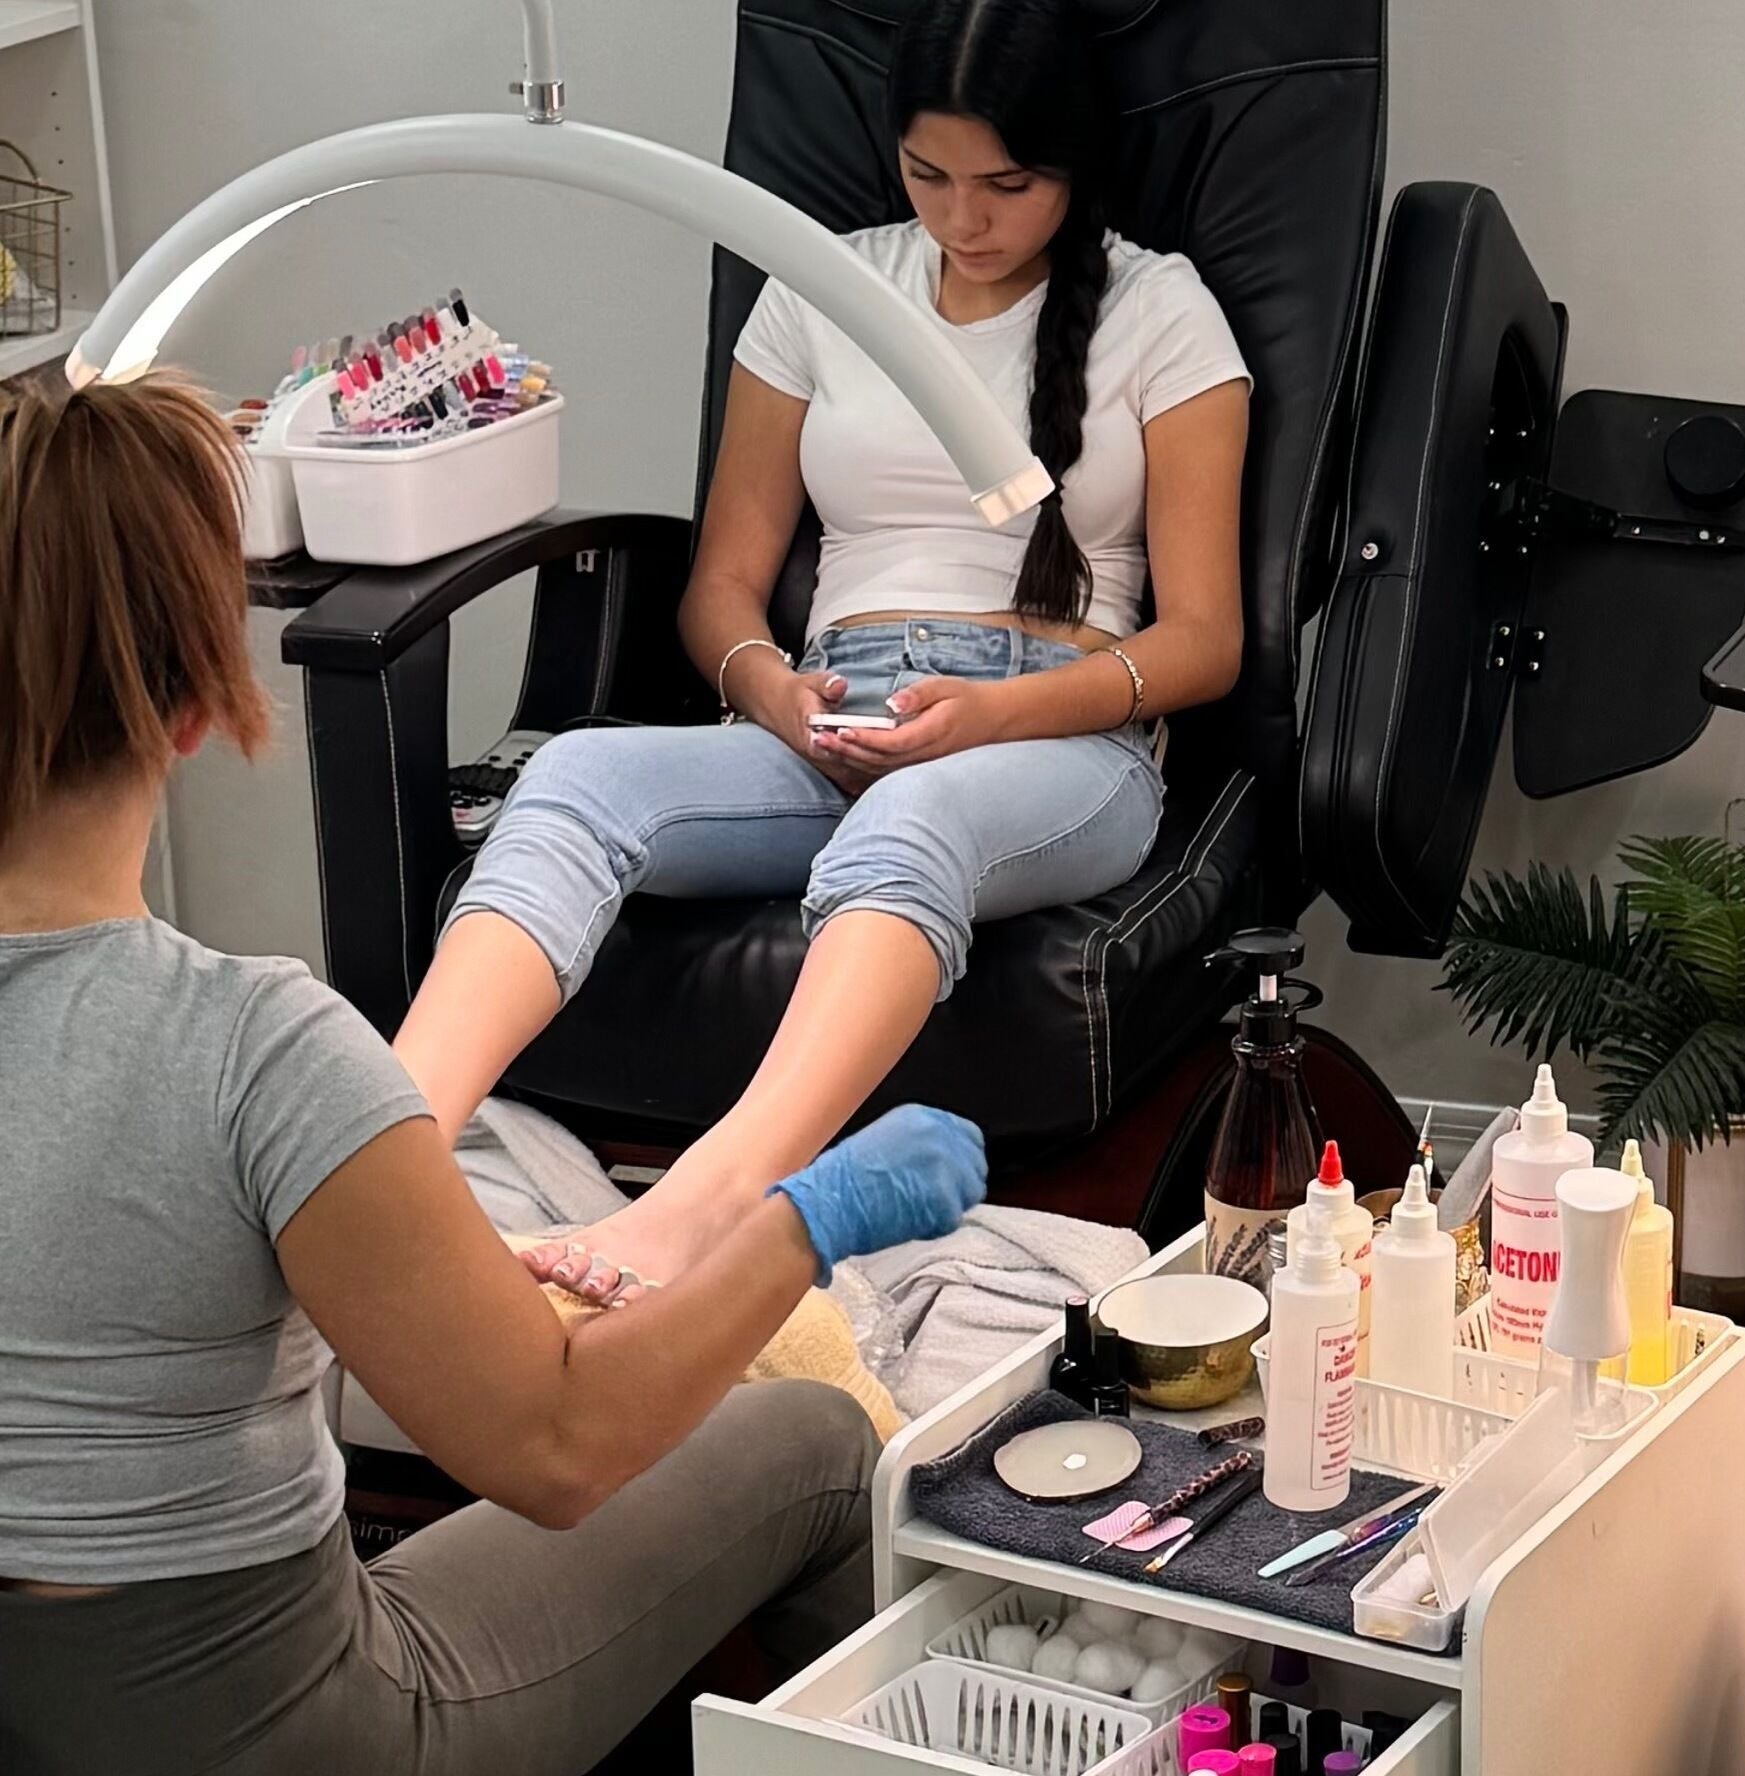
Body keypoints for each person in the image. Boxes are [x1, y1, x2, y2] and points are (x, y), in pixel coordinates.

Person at [0, 375, 991, 1772]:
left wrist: (407, 1280)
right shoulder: (253, 1051)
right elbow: (560, 1448)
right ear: (192, 705)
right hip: (276, 1731)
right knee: (819, 1447)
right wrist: (802, 1221)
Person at [393, 0, 1253, 1305]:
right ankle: (384, 1171)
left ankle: (703, 1212)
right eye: (930, 175)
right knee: (572, 781)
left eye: (1007, 185)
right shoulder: (821, 287)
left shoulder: (1161, 311)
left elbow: (1205, 642)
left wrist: (989, 720)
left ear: (1073, 169)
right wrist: (766, 689)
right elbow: (725, 584)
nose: (964, 218)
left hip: (1057, 739)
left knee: (907, 825)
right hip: (826, 712)